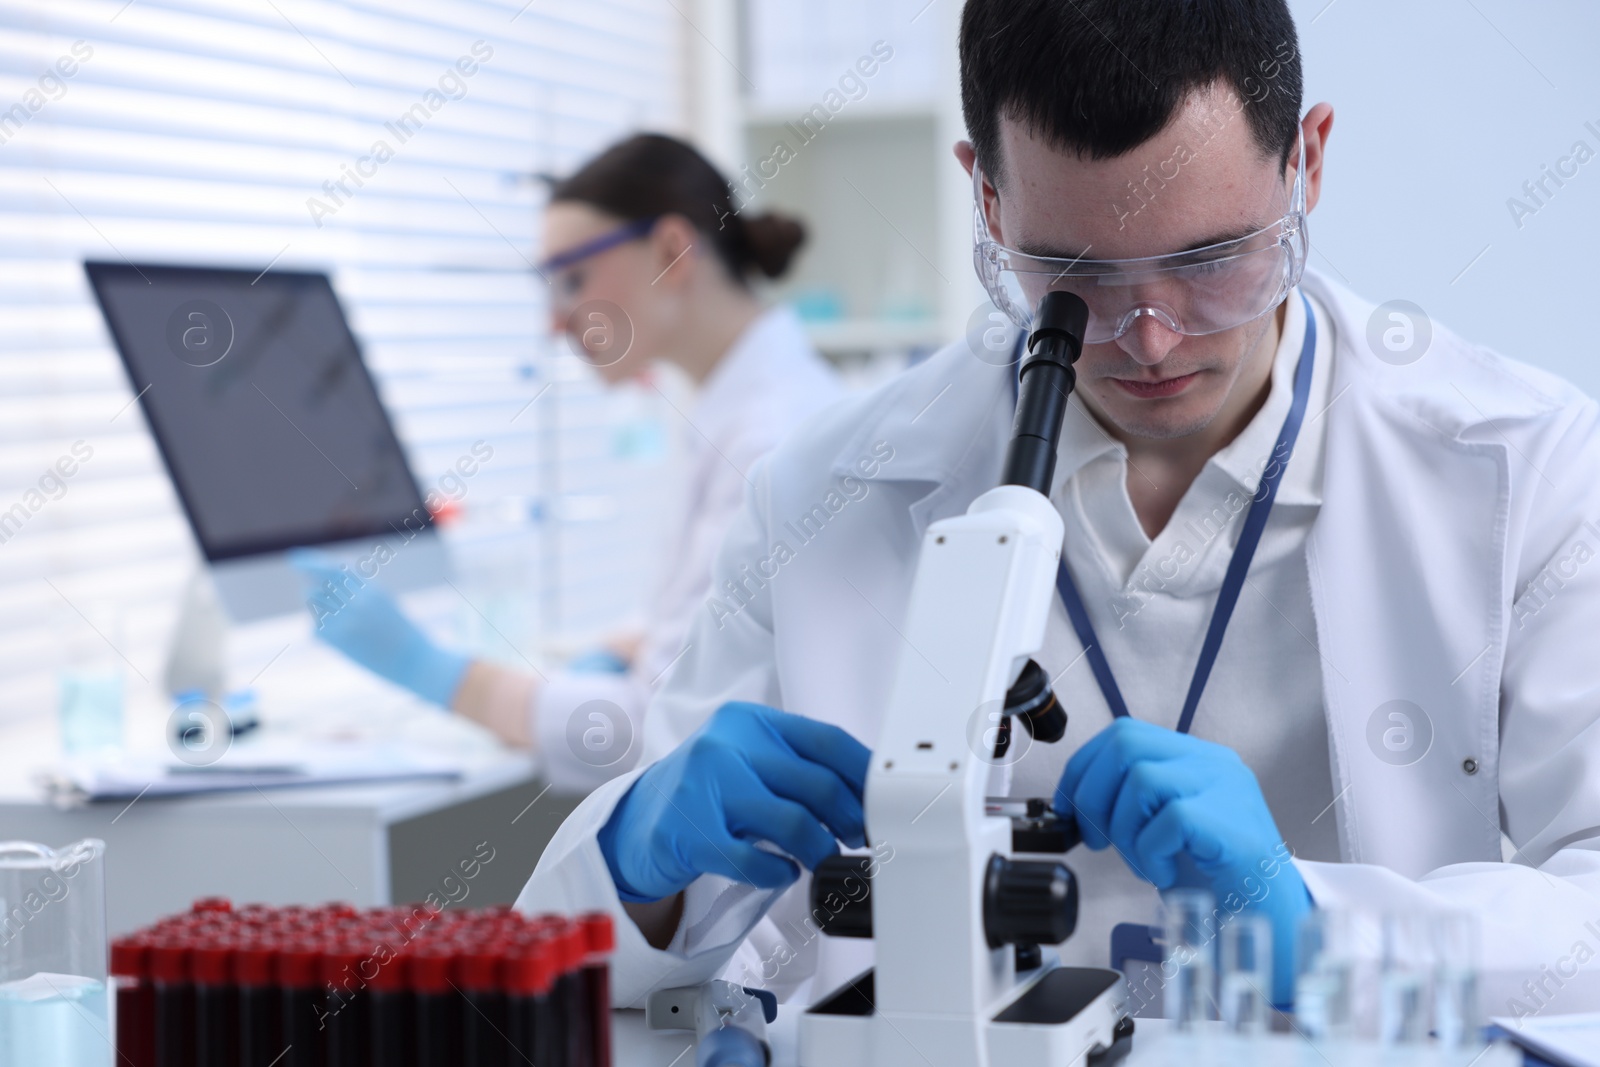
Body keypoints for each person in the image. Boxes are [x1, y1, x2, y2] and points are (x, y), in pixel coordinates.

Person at [516, 0, 1600, 1021]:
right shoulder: (822, 495)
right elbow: (575, 960)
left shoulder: (1523, 463)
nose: (1149, 337)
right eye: (1075, 270)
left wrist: (1317, 927)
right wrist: (637, 860)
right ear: (986, 201)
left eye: (1209, 259)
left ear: (1307, 160)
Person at [295, 133, 843, 790]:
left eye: (573, 279)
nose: (555, 322)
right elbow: (739, 637)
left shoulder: (764, 439)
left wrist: (434, 671)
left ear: (672, 251)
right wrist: (627, 648)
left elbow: (657, 733)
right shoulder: (747, 407)